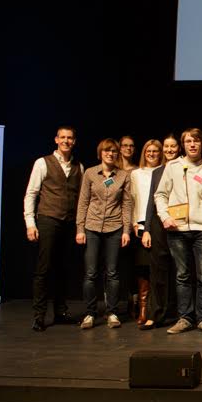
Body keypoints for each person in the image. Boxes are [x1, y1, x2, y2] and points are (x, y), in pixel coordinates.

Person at [154, 128, 202, 336]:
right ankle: (185, 318)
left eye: (196, 141)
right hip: (177, 229)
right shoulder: (172, 167)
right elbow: (160, 195)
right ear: (183, 145)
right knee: (182, 275)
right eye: (188, 141)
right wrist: (165, 217)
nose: (192, 145)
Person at [25, 126, 84, 331]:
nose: (66, 141)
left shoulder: (79, 166)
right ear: (56, 140)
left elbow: (81, 199)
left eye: (70, 138)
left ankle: (60, 311)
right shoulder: (43, 163)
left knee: (63, 269)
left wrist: (79, 226)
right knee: (43, 269)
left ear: (74, 141)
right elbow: (31, 194)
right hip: (48, 219)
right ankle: (39, 315)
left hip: (69, 222)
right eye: (63, 137)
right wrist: (30, 223)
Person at [75, 139, 133, 329]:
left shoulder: (123, 175)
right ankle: (90, 313)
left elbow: (126, 204)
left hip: (114, 227)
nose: (110, 154)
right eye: (107, 151)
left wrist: (126, 230)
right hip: (92, 226)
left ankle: (112, 312)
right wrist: (80, 228)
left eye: (114, 151)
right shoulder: (90, 173)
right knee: (91, 273)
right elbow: (83, 202)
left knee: (113, 273)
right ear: (100, 153)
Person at [140, 134, 180, 330]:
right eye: (167, 147)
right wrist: (146, 229)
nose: (170, 150)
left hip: (180, 222)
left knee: (180, 270)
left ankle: (178, 313)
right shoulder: (157, 172)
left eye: (173, 146)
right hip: (158, 225)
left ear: (178, 148)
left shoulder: (184, 168)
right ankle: (155, 314)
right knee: (157, 271)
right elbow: (151, 202)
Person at [129, 139, 161, 325]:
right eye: (148, 151)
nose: (151, 154)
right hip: (141, 225)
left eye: (155, 151)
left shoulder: (165, 170)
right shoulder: (136, 174)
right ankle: (143, 308)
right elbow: (132, 199)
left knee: (159, 270)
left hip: (160, 224)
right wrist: (134, 222)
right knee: (143, 269)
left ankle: (156, 309)